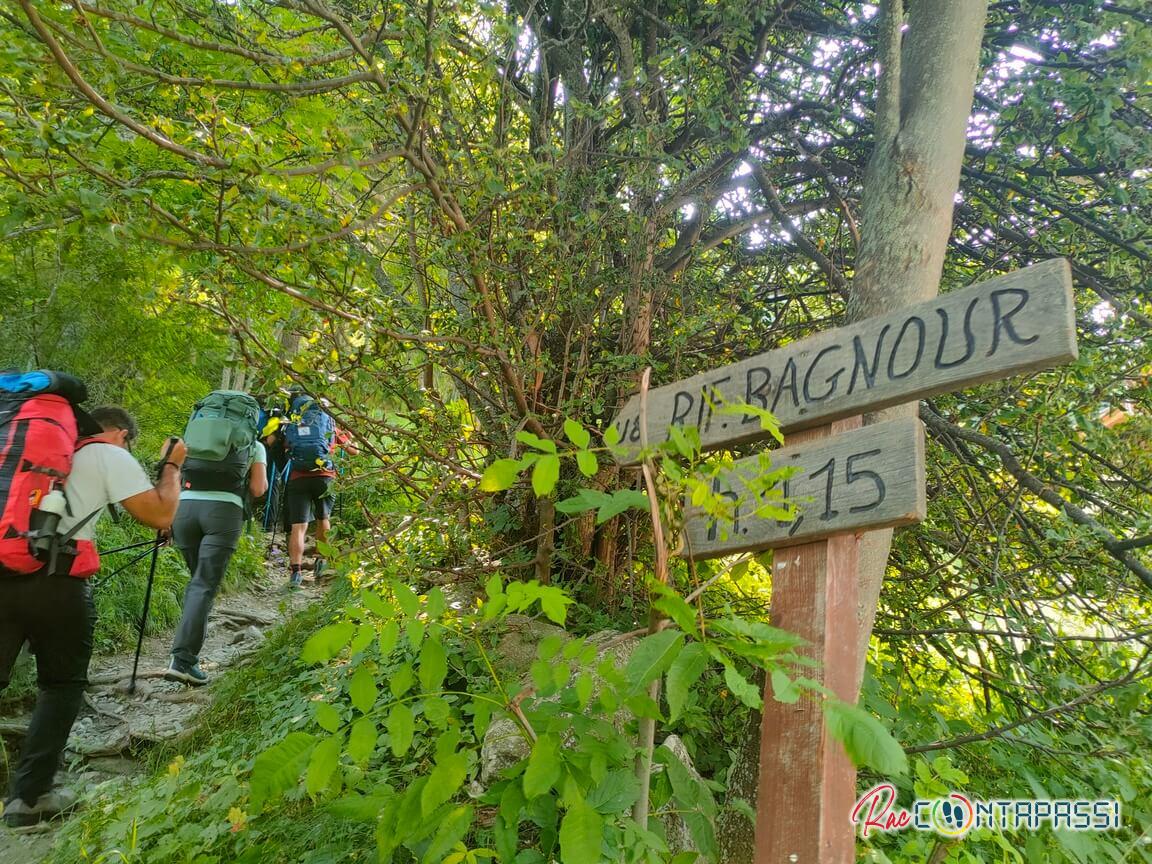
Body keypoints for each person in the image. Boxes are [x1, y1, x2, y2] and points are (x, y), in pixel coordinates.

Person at [0, 407, 184, 827]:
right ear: (120, 433)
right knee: (61, 685)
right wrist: (171, 464)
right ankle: (29, 798)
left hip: (2, 569)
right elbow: (159, 514)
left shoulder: (20, 454)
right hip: (58, 584)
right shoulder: (106, 454)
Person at [165, 396, 267, 687]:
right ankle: (182, 660)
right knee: (203, 585)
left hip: (183, 511)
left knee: (198, 583)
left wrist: (165, 519)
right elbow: (259, 489)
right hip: (223, 514)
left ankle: (185, 653)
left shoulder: (192, 440)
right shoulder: (252, 444)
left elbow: (173, 474)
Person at [284, 395, 353, 588]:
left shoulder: (294, 424)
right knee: (324, 518)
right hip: (324, 477)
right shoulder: (330, 426)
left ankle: (295, 572)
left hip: (298, 478)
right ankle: (321, 561)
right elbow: (354, 451)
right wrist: (348, 437)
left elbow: (285, 446)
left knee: (298, 526)